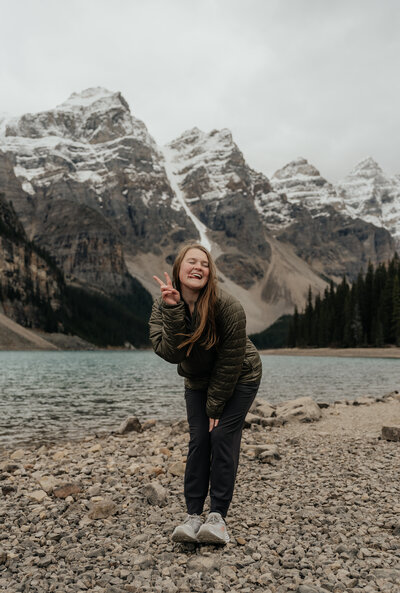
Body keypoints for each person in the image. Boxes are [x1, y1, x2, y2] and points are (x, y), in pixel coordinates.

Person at [149, 244, 262, 544]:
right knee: (199, 439)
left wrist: (215, 406)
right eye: (191, 262)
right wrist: (173, 310)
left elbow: (230, 361)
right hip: (197, 381)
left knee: (222, 436)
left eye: (205, 263)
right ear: (179, 269)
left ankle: (218, 518)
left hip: (240, 376)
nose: (198, 267)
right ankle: (193, 517)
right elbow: (170, 353)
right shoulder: (163, 304)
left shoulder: (227, 306)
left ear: (210, 273)